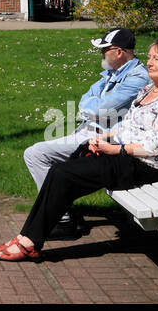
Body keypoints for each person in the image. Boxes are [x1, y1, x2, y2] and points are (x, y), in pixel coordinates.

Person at [0, 38, 158, 262]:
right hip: (121, 155)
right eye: (150, 57)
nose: (150, 63)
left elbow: (153, 146)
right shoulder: (147, 90)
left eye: (157, 58)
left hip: (140, 166)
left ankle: (29, 241)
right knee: (61, 171)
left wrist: (114, 149)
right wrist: (102, 138)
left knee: (61, 174)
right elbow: (126, 126)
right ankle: (28, 237)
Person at [22, 28, 150, 237]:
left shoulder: (137, 78)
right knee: (36, 154)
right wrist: (92, 109)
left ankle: (63, 220)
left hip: (101, 139)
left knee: (36, 155)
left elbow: (101, 108)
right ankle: (63, 211)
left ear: (118, 52)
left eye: (104, 50)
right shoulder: (113, 73)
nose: (101, 54)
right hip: (88, 131)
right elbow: (86, 100)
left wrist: (93, 109)